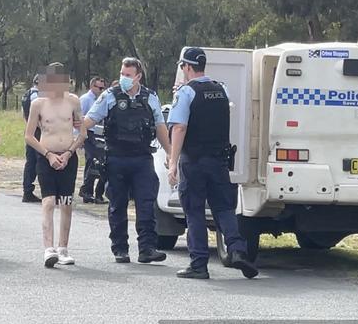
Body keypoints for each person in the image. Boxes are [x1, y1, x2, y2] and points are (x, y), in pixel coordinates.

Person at [168, 47, 258, 279]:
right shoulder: (222, 89)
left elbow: (179, 127)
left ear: (187, 67)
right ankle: (237, 250)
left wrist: (172, 162)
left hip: (194, 161)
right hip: (219, 160)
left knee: (194, 211)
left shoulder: (186, 93)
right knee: (224, 208)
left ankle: (199, 264)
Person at [83, 57, 171, 264]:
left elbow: (159, 126)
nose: (123, 78)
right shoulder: (110, 96)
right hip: (116, 158)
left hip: (142, 158)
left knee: (146, 204)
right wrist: (76, 135)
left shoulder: (150, 98)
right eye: (122, 74)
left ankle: (147, 249)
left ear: (138, 76)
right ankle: (120, 249)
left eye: (128, 75)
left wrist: (170, 153)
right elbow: (90, 120)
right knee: (117, 204)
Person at [24, 63, 85, 268]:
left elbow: (82, 132)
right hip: (46, 156)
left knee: (66, 202)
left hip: (68, 156)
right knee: (49, 201)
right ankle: (48, 248)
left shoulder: (73, 101)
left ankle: (63, 248)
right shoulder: (38, 104)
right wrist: (48, 154)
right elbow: (29, 136)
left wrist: (69, 153)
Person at [79, 76, 107, 204]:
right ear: (92, 86)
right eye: (99, 88)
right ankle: (86, 191)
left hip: (100, 134)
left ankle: (96, 193)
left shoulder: (102, 100)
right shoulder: (85, 99)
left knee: (100, 162)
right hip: (88, 133)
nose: (101, 90)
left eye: (103, 88)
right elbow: (79, 118)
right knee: (91, 160)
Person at [21, 75, 42, 203]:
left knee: (31, 162)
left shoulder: (26, 94)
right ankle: (33, 191)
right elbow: (38, 116)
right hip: (38, 132)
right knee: (39, 161)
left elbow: (24, 114)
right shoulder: (36, 96)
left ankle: (27, 191)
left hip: (30, 130)